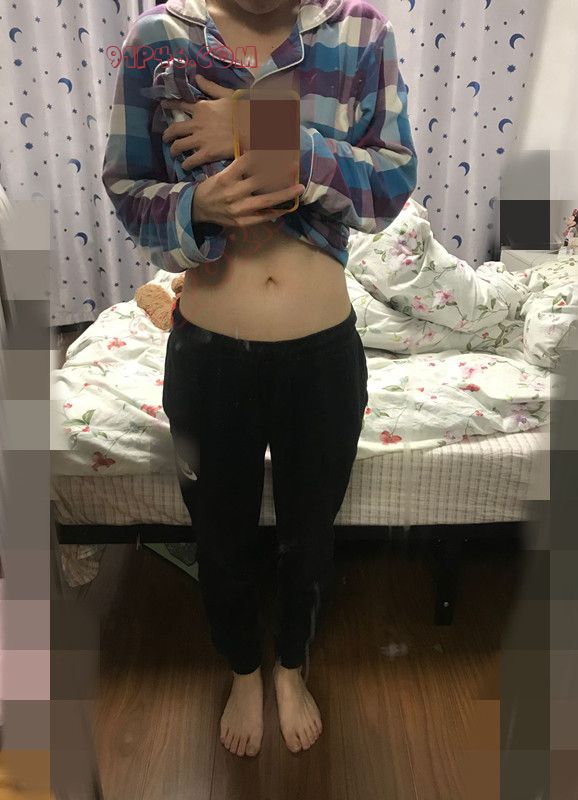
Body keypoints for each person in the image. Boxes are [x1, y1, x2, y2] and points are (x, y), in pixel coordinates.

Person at [102, 0, 417, 758]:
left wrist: (263, 132)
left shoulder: (361, 32)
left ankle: (289, 665)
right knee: (219, 537)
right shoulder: (158, 39)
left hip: (324, 357)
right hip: (208, 356)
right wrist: (197, 206)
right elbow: (128, 191)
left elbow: (390, 186)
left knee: (311, 537)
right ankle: (243, 667)